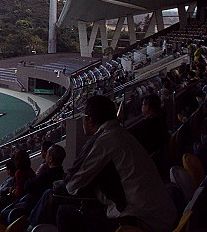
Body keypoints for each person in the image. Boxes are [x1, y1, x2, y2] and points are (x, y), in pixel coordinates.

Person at [30, 95, 176, 232]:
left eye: (83, 118)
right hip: (162, 215)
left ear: (90, 120)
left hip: (140, 221)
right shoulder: (122, 134)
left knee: (63, 212)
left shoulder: (102, 141)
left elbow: (71, 185)